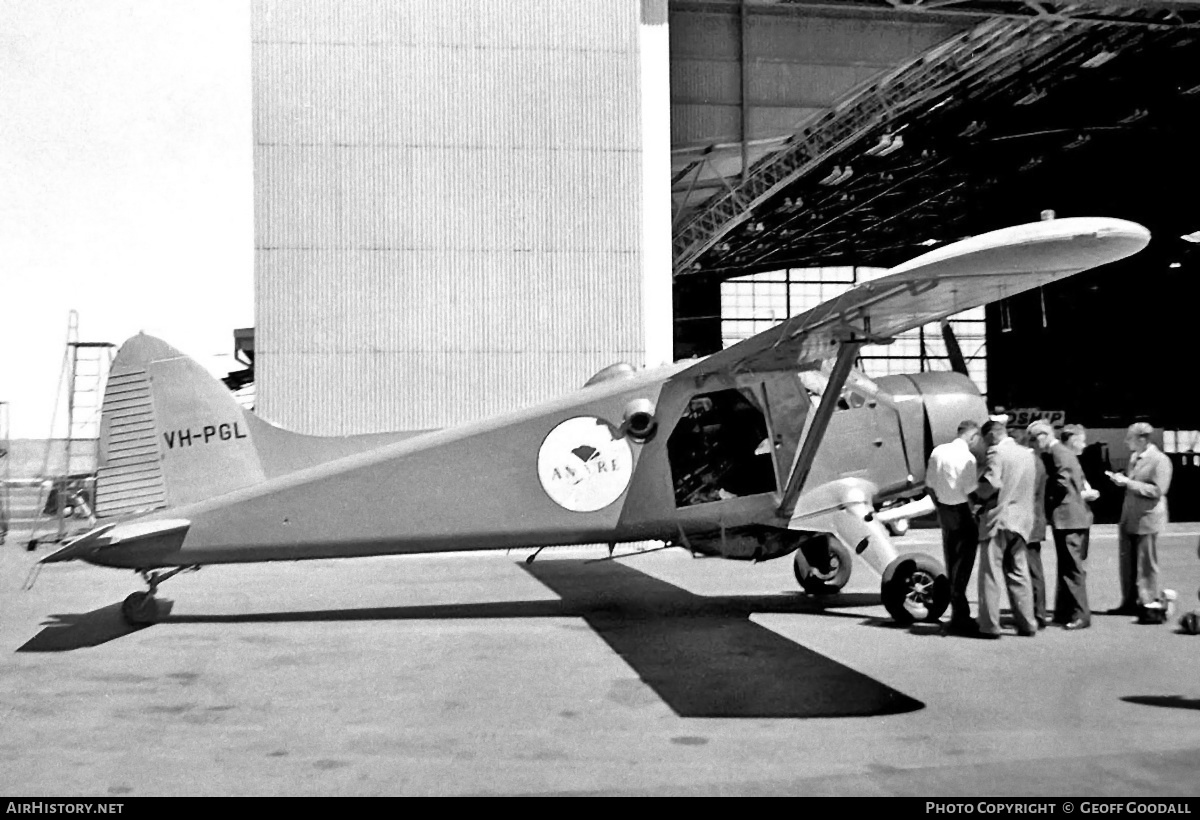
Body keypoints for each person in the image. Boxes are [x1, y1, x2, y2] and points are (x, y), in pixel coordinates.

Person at [972, 419, 1038, 638]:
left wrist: (975, 494)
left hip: (999, 520)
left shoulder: (996, 454)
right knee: (1019, 573)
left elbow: (992, 484)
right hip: (1022, 521)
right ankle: (1027, 623)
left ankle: (989, 626)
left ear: (990, 436)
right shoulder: (1027, 455)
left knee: (990, 574)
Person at [1029, 421, 1096, 630]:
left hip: (1069, 518)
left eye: (1033, 438)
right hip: (1068, 518)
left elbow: (1062, 482)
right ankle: (1066, 611)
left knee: (1072, 568)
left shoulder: (1059, 453)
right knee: (1067, 566)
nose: (1033, 443)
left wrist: (1046, 499)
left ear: (1043, 436)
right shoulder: (1060, 452)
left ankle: (1080, 614)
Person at [1108, 422, 1173, 617]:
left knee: (1146, 564)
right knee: (1127, 564)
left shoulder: (1160, 460)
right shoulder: (1135, 458)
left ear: (1142, 439)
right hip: (1130, 518)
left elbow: (1158, 490)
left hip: (1147, 520)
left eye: (1130, 438)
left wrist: (1129, 482)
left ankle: (1147, 602)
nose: (1126, 442)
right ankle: (1129, 602)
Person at [926, 420, 982, 632]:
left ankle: (958, 612)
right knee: (964, 564)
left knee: (952, 562)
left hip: (945, 511)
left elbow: (929, 485)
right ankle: (961, 615)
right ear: (972, 437)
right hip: (962, 512)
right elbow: (970, 491)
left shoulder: (938, 451)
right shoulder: (968, 458)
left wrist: (940, 505)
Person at [1026, 437, 1050, 629]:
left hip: (1030, 523)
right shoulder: (1037, 461)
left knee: (1032, 569)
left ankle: (1038, 613)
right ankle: (1036, 611)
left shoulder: (1033, 463)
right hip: (1033, 522)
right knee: (1032, 569)